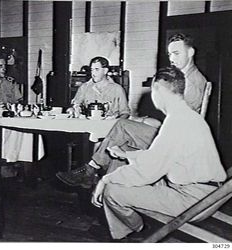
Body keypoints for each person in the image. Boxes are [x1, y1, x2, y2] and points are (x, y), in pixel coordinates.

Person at [90, 66, 227, 240]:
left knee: (113, 191)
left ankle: (138, 231)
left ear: (158, 90)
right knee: (122, 165)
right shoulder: (188, 116)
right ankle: (124, 228)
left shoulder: (176, 122)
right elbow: (160, 157)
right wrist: (128, 156)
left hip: (192, 201)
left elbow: (148, 171)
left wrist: (105, 180)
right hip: (208, 195)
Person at [56, 33, 208, 189]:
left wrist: (148, 122)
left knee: (122, 126)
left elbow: (178, 124)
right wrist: (144, 120)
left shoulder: (191, 83)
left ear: (190, 52)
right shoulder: (184, 78)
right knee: (117, 148)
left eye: (176, 53)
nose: (171, 59)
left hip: (175, 143)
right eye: (169, 54)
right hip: (172, 136)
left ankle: (91, 169)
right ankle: (111, 191)